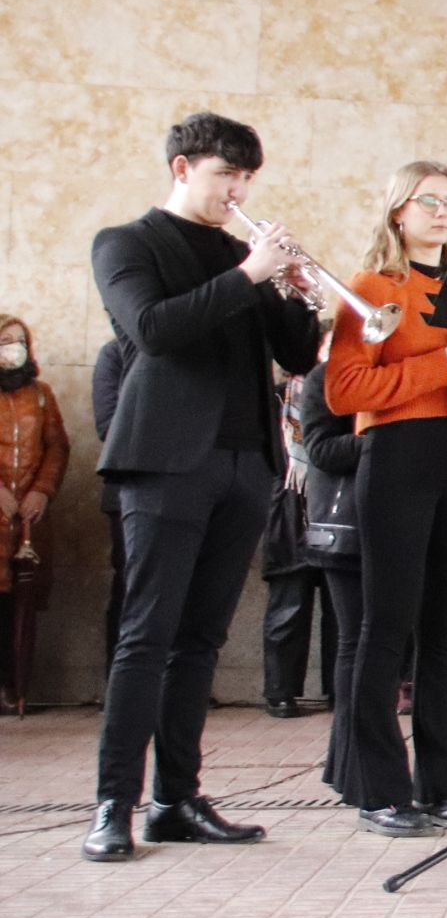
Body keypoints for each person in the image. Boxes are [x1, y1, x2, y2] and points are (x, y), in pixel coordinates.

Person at [84, 112, 322, 862]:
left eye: (247, 177)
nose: (238, 190)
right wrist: (248, 274)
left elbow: (294, 356)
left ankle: (177, 800)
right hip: (163, 462)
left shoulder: (237, 253)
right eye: (226, 174)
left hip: (244, 462)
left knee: (201, 641)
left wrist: (294, 293)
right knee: (145, 637)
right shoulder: (127, 244)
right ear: (183, 168)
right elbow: (151, 330)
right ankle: (112, 806)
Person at [323, 162, 447, 837]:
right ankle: (379, 789)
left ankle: (441, 786)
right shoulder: (371, 288)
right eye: (430, 201)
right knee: (387, 625)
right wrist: (441, 368)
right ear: (399, 210)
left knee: (445, 631)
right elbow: (344, 391)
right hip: (395, 454)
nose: (444, 211)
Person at [296, 353, 366, 800]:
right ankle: (349, 764)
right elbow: (320, 449)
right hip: (345, 527)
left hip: (388, 520)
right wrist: (387, 437)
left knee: (377, 647)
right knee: (355, 642)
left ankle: (349, 763)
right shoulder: (326, 375)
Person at [0, 314, 68, 709]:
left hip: (27, 522)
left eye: (19, 340)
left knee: (20, 608)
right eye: (5, 340)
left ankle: (16, 688)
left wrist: (42, 491)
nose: (14, 348)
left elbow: (57, 447)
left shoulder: (41, 394)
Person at [258, 368, 331, 718]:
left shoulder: (344, 388)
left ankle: (338, 688)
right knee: (289, 600)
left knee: (339, 607)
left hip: (332, 501)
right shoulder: (275, 396)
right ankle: (280, 691)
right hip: (286, 505)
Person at [92, 337, 128, 663]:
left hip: (189, 487)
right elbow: (108, 424)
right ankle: (119, 682)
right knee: (130, 587)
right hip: (128, 491)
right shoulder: (114, 354)